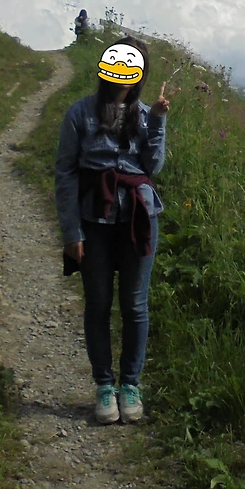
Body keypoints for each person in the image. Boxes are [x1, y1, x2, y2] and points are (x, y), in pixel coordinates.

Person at [54, 36, 176, 424]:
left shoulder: (145, 114)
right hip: (94, 220)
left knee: (136, 305)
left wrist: (158, 120)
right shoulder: (79, 113)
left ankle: (131, 384)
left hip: (141, 216)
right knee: (99, 303)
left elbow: (153, 168)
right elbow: (66, 172)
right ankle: (104, 385)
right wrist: (71, 232)